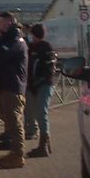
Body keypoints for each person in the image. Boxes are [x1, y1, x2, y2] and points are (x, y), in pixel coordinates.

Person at [0, 11, 28, 169]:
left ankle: (17, 155)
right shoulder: (10, 39)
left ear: (9, 22)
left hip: (13, 86)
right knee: (10, 120)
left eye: (1, 23)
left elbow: (2, 54)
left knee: (15, 122)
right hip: (8, 84)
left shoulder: (16, 40)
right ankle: (14, 153)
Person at [26, 23, 57, 158]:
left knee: (41, 112)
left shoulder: (46, 47)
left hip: (44, 84)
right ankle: (45, 145)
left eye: (32, 34)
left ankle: (43, 145)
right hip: (33, 85)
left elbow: (48, 70)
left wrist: (37, 83)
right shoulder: (31, 47)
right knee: (33, 112)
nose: (31, 37)